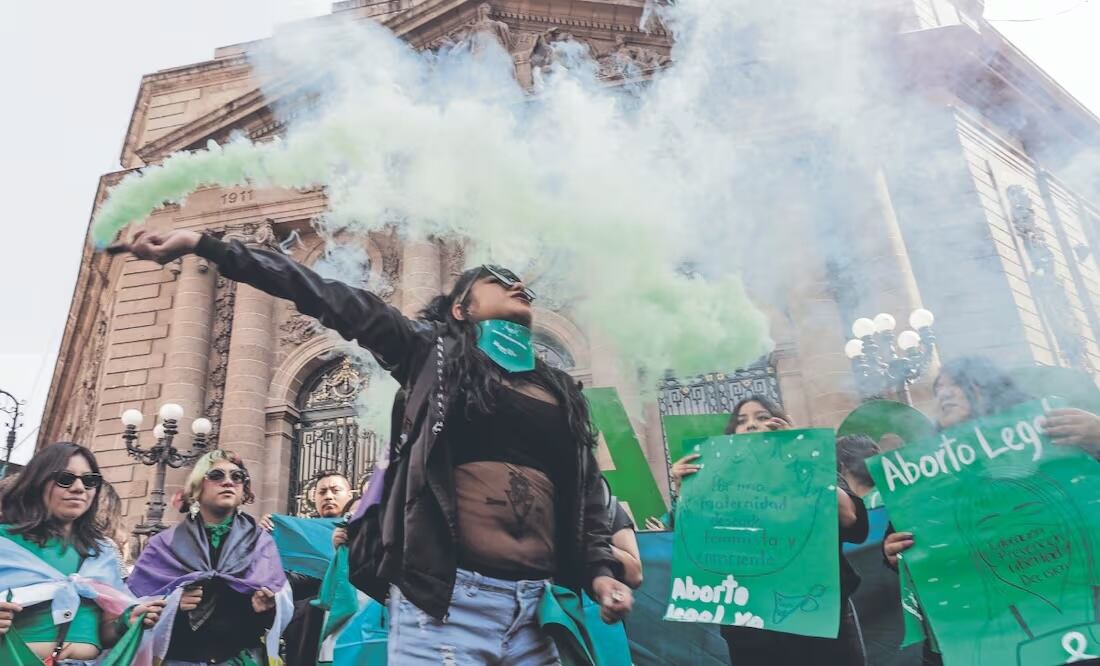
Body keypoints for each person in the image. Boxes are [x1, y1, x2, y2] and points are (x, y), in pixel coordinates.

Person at [114, 229, 632, 664]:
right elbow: (324, 294)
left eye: (519, 281)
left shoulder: (558, 391)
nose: (517, 284)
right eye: (496, 278)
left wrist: (600, 572)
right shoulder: (431, 354)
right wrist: (208, 245)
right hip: (449, 605)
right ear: (460, 308)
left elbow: (586, 493)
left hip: (539, 607)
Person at [670, 396, 869, 666]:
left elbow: (849, 518)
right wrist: (686, 492)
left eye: (762, 417)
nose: (751, 425)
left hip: (819, 620)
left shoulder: (811, 467)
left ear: (782, 425)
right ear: (732, 436)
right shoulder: (716, 485)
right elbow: (696, 543)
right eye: (742, 421)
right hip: (751, 626)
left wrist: (799, 454)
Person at [0, 442, 164, 664]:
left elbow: (104, 633)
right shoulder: (5, 542)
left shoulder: (103, 552)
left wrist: (126, 622)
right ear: (37, 482)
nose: (79, 488)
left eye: (89, 481)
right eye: (65, 478)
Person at [127, 450, 292, 665]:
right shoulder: (164, 544)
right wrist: (173, 603)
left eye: (237, 476)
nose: (228, 482)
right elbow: (132, 605)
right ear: (197, 488)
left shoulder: (261, 543)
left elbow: (277, 611)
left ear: (243, 490)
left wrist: (267, 609)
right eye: (216, 475)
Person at [261, 470, 356, 666]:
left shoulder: (369, 528)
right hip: (308, 627)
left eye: (335, 490)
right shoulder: (297, 534)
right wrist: (267, 532)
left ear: (350, 495)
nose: (328, 496)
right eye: (322, 492)